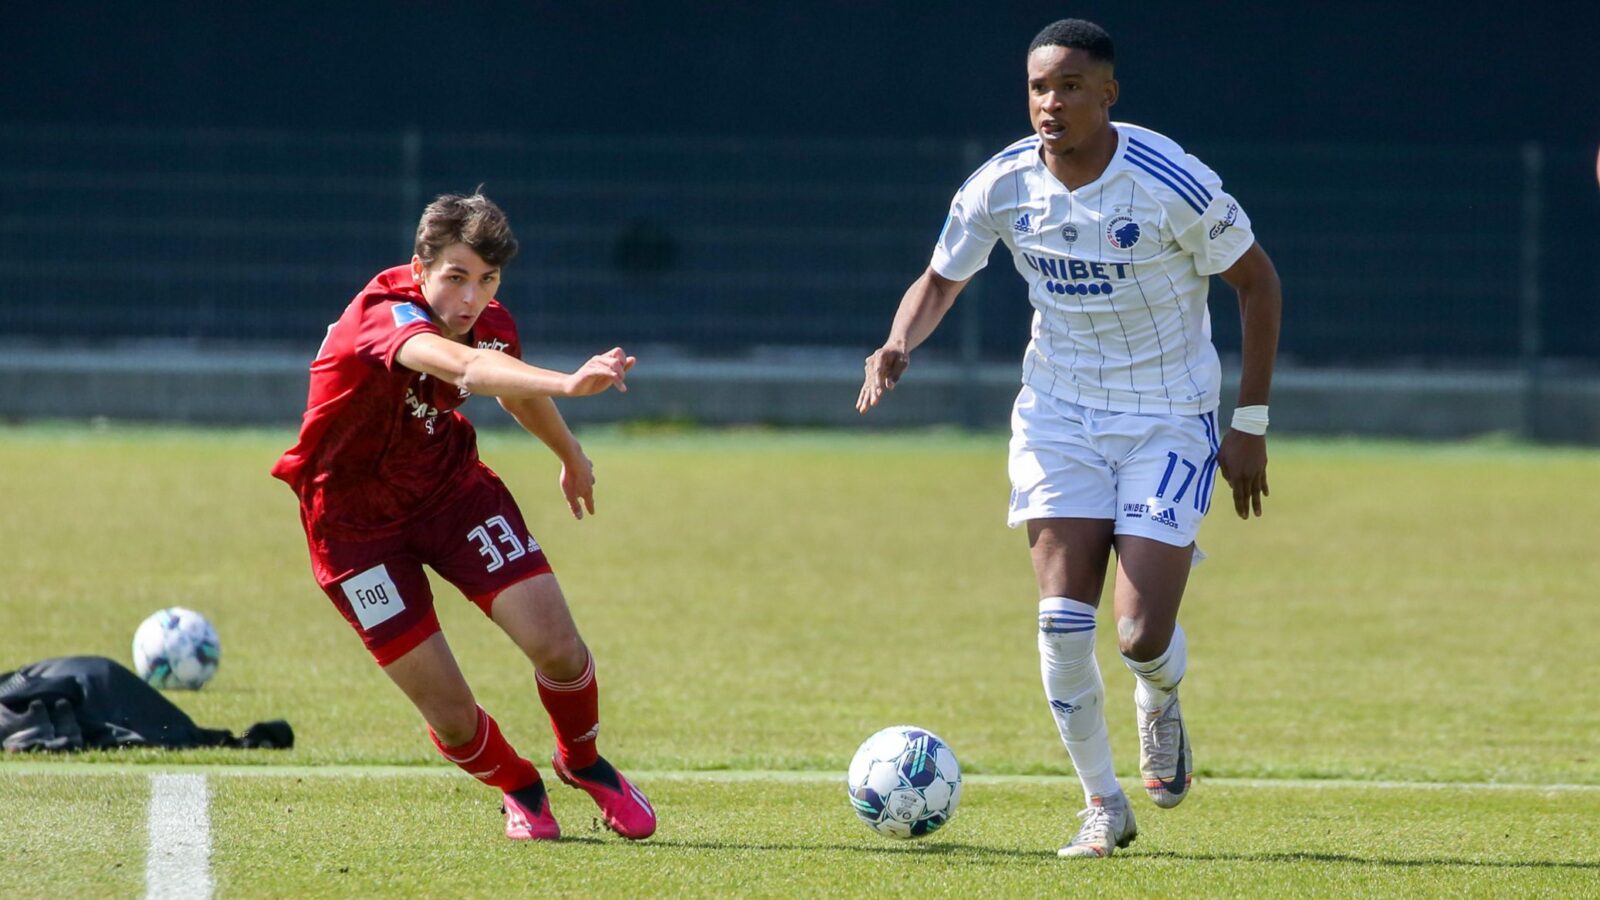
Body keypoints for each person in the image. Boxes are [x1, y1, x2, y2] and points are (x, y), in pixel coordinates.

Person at [857, 19, 1281, 859]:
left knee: (1139, 636)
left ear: (1108, 94)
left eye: (1071, 87)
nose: (1051, 103)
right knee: (1059, 623)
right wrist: (900, 339)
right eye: (1039, 88)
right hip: (1060, 415)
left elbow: (1258, 282)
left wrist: (1250, 424)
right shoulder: (1004, 183)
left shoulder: (1169, 181)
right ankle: (1102, 804)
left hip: (1167, 416)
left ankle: (1158, 695)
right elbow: (941, 278)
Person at [271, 192, 656, 842]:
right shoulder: (384, 317)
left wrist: (570, 453)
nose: (471, 298)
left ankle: (583, 761)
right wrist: (568, 382)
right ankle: (520, 785)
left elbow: (507, 385)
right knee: (450, 716)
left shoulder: (487, 319)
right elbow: (471, 367)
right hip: (354, 532)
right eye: (456, 277)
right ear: (419, 268)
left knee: (560, 649)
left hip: (451, 493)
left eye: (487, 279)